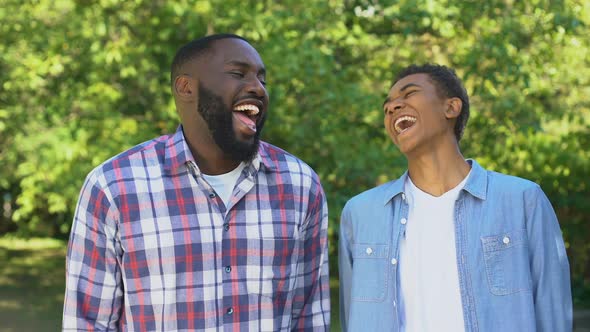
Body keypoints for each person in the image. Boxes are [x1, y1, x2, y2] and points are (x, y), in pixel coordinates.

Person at [63, 34, 330, 331]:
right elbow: (87, 323)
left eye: (262, 79)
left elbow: (310, 318)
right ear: (186, 87)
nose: (258, 88)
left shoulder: (300, 185)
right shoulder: (113, 186)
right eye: (237, 73)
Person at [339, 64, 572, 331]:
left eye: (409, 94)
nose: (392, 107)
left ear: (451, 108)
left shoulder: (522, 200)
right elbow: (352, 318)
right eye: (387, 106)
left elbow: (552, 313)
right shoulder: (360, 213)